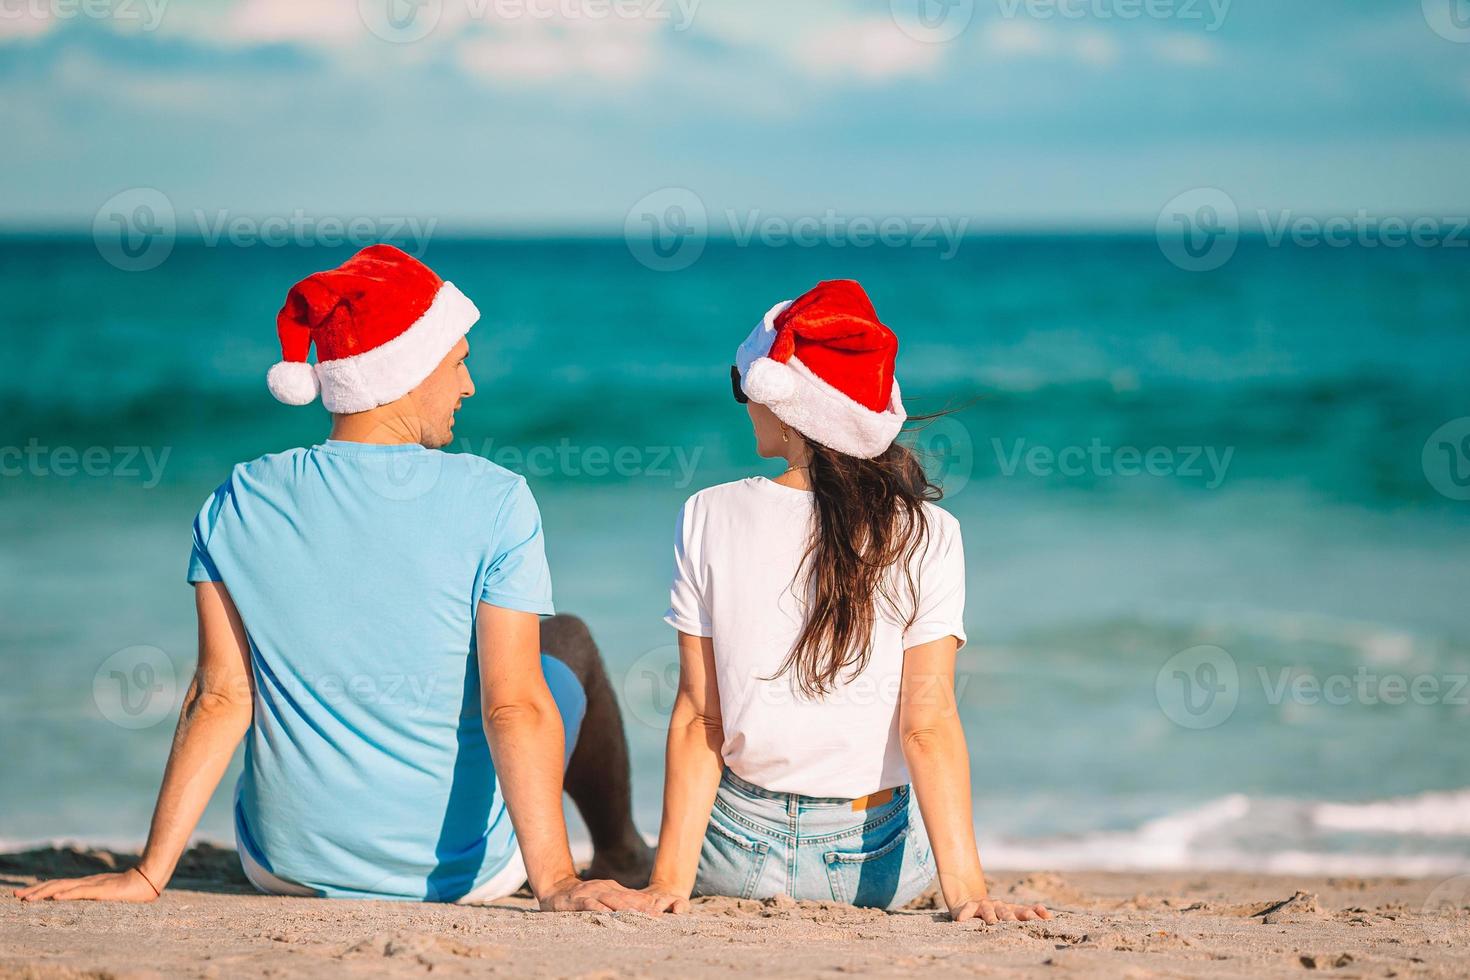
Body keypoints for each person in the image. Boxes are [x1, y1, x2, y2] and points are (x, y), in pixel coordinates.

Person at [15, 245, 660, 911]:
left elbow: (220, 696)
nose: (469, 386)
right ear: (410, 369)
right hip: (461, 876)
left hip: (283, 866)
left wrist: (149, 874)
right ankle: (620, 851)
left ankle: (610, 851)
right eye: (459, 361)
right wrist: (554, 882)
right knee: (569, 642)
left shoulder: (241, 496)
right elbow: (512, 705)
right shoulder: (497, 499)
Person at [641, 281, 1051, 924]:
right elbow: (929, 722)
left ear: (783, 400)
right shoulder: (928, 532)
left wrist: (667, 882)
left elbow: (700, 719)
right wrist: (968, 893)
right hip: (874, 862)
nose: (744, 403)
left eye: (744, 383)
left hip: (732, 855)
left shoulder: (706, 514)